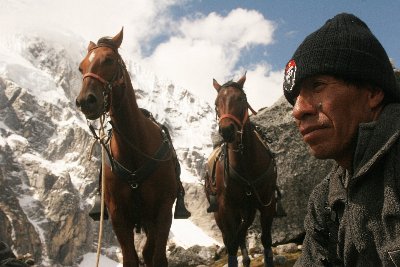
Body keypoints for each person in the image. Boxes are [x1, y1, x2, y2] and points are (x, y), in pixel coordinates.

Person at [283, 13, 400, 266]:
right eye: (294, 98)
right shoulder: (325, 199)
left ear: (373, 92)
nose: (297, 110)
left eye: (317, 86)